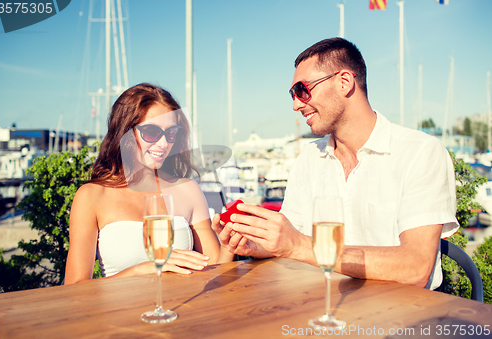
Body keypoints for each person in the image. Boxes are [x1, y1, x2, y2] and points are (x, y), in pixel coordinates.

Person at [212, 38, 458, 290]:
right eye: (293, 95)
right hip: (322, 308)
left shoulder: (420, 152)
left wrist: (298, 245)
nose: (296, 104)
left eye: (302, 90)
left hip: (400, 319)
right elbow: (289, 238)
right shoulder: (309, 158)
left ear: (344, 82)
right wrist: (254, 244)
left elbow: (415, 267)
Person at [65, 83, 233, 284]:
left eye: (172, 133)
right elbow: (75, 287)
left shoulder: (188, 190)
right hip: (120, 314)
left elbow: (215, 268)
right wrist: (143, 270)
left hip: (181, 312)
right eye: (152, 132)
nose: (164, 144)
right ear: (125, 132)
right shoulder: (92, 196)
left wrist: (229, 247)